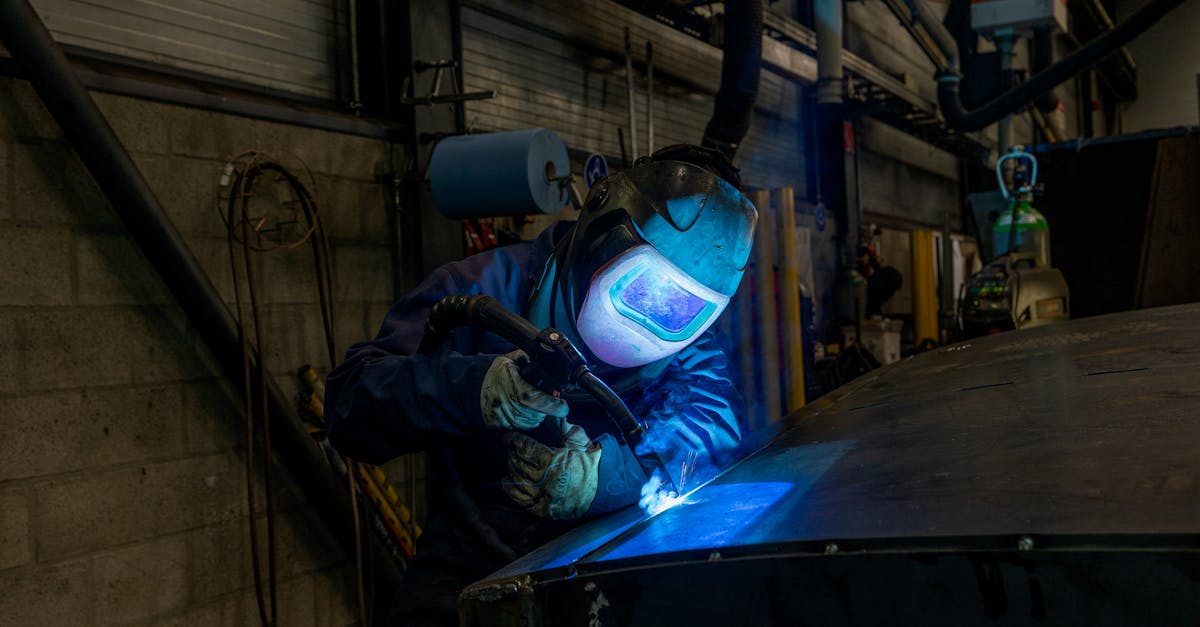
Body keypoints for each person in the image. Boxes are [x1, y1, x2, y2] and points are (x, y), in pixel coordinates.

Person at [324, 144, 758, 626]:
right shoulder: (483, 289)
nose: (656, 316)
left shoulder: (689, 346)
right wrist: (474, 387)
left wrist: (603, 479)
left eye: (680, 308)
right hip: (467, 566)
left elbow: (714, 434)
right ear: (605, 232)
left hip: (610, 563)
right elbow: (350, 404)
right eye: (645, 289)